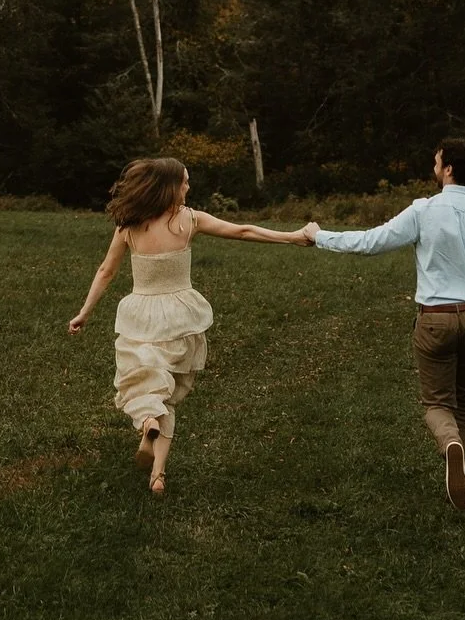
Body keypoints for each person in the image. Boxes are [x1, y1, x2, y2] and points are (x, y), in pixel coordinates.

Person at [306, 136, 465, 511]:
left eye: (437, 161)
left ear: (449, 169)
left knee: (437, 403)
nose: (433, 166)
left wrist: (318, 236)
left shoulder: (423, 211)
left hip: (436, 321)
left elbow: (370, 242)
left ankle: (449, 444)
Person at [68, 155, 310, 496]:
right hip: (181, 317)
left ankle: (148, 424)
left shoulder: (130, 225)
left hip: (141, 315)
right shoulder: (190, 220)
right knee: (167, 394)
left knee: (141, 381)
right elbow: (242, 231)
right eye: (185, 181)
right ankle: (158, 475)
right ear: (171, 187)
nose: (188, 186)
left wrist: (84, 312)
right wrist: (293, 236)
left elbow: (106, 271)